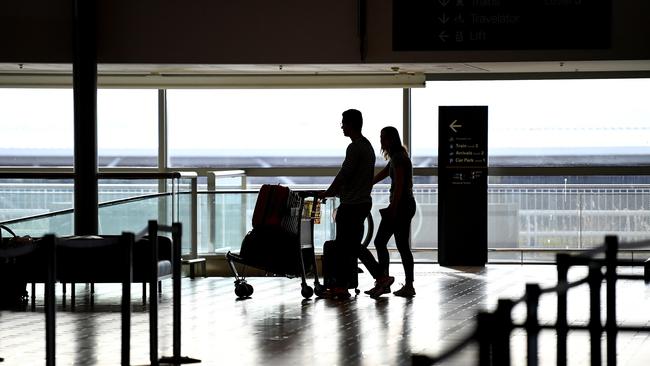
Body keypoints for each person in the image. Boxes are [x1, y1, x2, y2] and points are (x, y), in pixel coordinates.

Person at [319, 109, 376, 299]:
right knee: (352, 246)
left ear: (351, 124)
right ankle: (381, 277)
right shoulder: (367, 146)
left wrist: (329, 192)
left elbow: (345, 174)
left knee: (344, 247)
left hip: (351, 204)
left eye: (343, 122)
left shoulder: (355, 148)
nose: (341, 125)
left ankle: (341, 287)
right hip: (362, 202)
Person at [360, 126, 416, 298]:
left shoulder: (399, 158)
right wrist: (365, 185)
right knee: (399, 245)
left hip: (401, 206)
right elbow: (383, 174)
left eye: (383, 137)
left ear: (391, 139)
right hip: (404, 205)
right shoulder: (396, 157)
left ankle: (388, 283)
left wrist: (393, 207)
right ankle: (400, 284)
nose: (381, 141)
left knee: (382, 242)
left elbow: (399, 185)